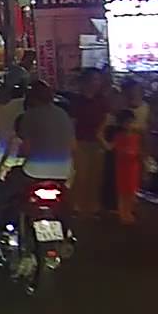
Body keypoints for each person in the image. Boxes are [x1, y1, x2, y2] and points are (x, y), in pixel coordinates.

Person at [0, 81, 75, 248]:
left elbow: (21, 146)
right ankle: (67, 231)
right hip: (63, 172)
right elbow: (72, 146)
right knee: (64, 200)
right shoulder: (63, 115)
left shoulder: (28, 116)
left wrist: (5, 168)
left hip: (34, 172)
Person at [70, 68, 110, 217]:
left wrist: (101, 135)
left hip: (97, 142)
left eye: (98, 80)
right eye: (94, 79)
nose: (97, 83)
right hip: (81, 141)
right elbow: (72, 122)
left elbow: (106, 118)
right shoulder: (77, 101)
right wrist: (73, 141)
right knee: (80, 175)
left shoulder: (102, 100)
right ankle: (76, 204)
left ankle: (93, 206)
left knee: (96, 176)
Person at [101, 109, 142, 225]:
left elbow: (139, 151)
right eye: (127, 122)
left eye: (131, 122)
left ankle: (128, 212)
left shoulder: (137, 136)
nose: (129, 125)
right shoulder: (119, 136)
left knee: (131, 190)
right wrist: (100, 136)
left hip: (133, 166)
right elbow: (110, 147)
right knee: (122, 191)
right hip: (122, 167)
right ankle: (123, 213)